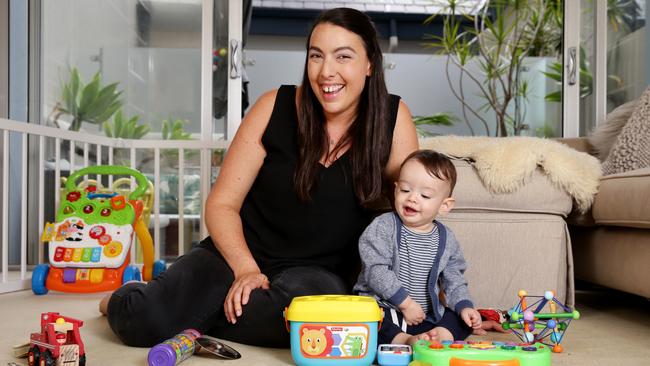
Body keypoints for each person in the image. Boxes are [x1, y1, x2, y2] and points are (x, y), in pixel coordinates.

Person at [99, 7, 418, 348]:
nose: (327, 72)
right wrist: (246, 270)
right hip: (235, 256)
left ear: (369, 64)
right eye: (316, 56)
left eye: (343, 57)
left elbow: (410, 209)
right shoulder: (273, 106)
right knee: (144, 321)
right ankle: (135, 298)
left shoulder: (392, 118)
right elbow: (222, 205)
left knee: (314, 327)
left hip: (316, 276)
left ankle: (190, 313)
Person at [354, 150, 482, 346]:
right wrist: (405, 303)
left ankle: (437, 335)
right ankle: (404, 340)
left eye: (425, 195)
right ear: (396, 189)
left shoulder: (446, 238)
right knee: (364, 320)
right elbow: (376, 271)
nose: (412, 198)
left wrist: (465, 306)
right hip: (386, 308)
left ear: (444, 205)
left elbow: (454, 279)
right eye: (405, 190)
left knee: (462, 318)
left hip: (425, 316)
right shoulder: (383, 226)